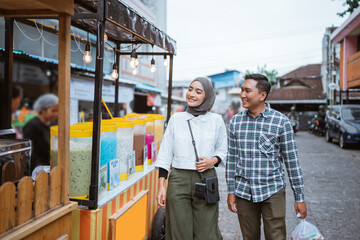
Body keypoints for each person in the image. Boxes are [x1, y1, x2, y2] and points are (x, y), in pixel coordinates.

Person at [226, 74, 307, 240]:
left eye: (247, 91)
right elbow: (232, 160)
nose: (242, 94)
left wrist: (299, 197)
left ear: (262, 95)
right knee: (249, 237)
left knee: (276, 237)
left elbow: (292, 162)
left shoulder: (281, 122)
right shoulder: (235, 122)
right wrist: (231, 191)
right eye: (242, 90)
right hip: (243, 192)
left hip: (273, 191)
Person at [155, 77, 227, 240]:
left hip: (206, 178)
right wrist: (161, 185)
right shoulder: (176, 119)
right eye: (190, 89)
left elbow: (223, 150)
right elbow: (165, 153)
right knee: (179, 231)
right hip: (178, 179)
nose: (191, 94)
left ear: (207, 96)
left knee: (206, 232)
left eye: (198, 91)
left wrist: (212, 161)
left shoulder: (216, 120)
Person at [23, 93, 59, 172]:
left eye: (57, 111)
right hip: (37, 170)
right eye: (53, 110)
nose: (56, 114)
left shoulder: (53, 125)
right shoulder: (32, 126)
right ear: (43, 110)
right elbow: (29, 153)